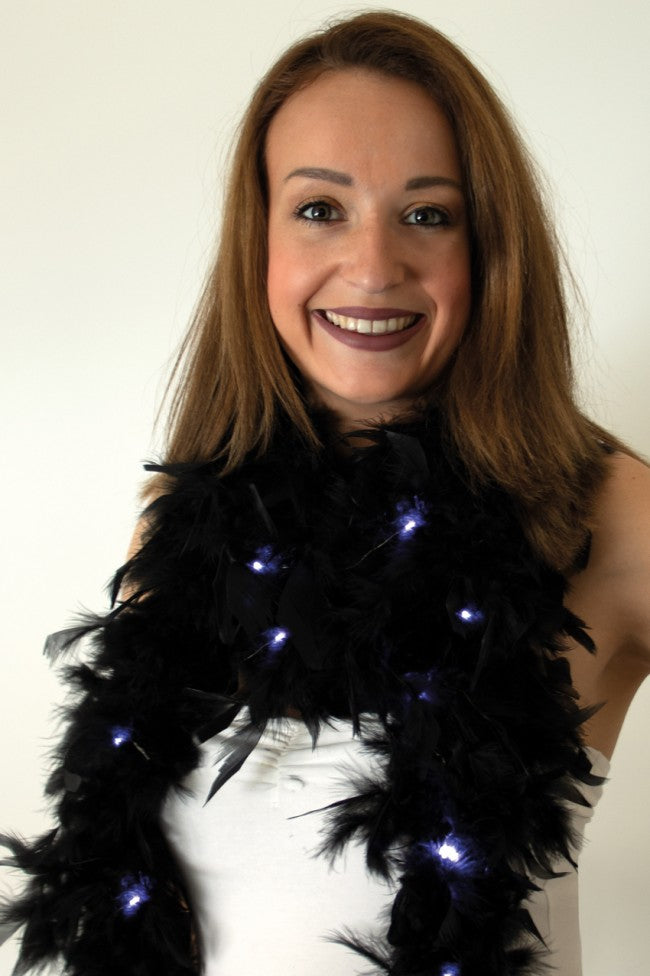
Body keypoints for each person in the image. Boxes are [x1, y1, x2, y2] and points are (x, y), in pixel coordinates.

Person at [2, 10, 649, 976]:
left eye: (428, 215)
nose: (375, 267)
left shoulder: (605, 516)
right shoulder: (179, 527)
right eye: (320, 209)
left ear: (489, 247)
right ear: (259, 240)